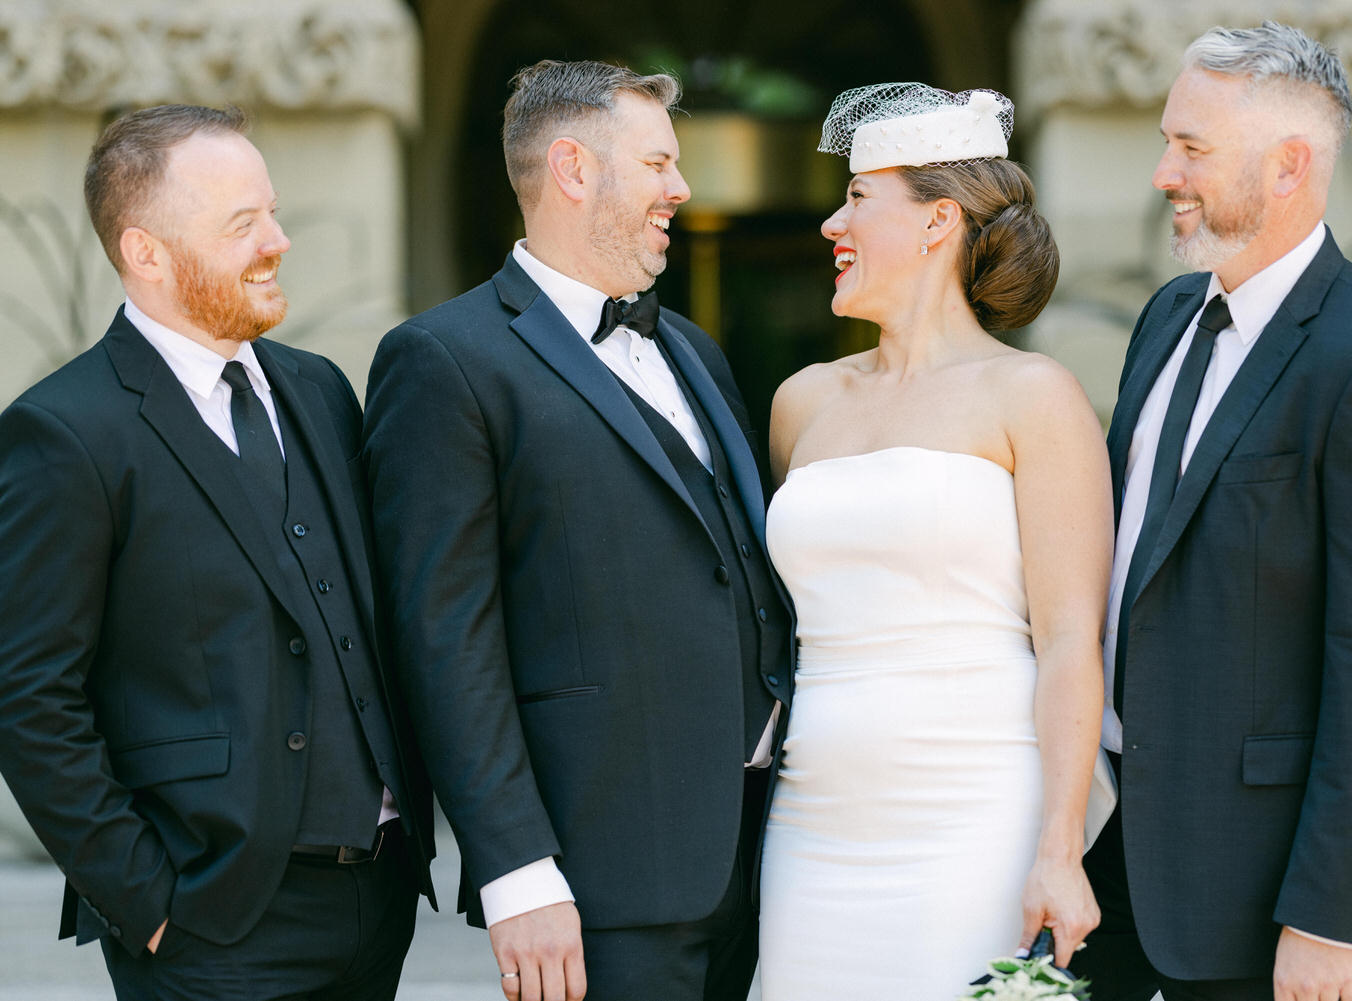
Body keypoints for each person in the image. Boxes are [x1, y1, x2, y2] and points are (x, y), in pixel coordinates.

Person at [361, 60, 791, 1001]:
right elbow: (444, 637)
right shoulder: (443, 359)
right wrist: (516, 868)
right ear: (572, 168)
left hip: (758, 855)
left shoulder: (693, 350)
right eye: (657, 164)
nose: (681, 188)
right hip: (597, 876)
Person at [1070, 22, 1352, 1001]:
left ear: (1290, 165)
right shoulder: (1166, 318)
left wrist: (1329, 915)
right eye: (1167, 140)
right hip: (1123, 841)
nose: (1164, 172)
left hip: (1263, 882)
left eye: (1192, 147)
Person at [0, 104, 434, 1001]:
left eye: (270, 212)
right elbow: (28, 694)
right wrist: (145, 898)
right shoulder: (63, 433)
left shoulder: (318, 389)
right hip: (208, 924)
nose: (277, 240)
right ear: (146, 252)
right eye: (242, 224)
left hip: (377, 903)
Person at [755, 83, 1118, 1001]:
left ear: (936, 222)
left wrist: (1059, 847)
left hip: (975, 820)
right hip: (813, 819)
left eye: (858, 198)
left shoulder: (1034, 396)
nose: (833, 221)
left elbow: (1072, 638)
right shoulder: (803, 403)